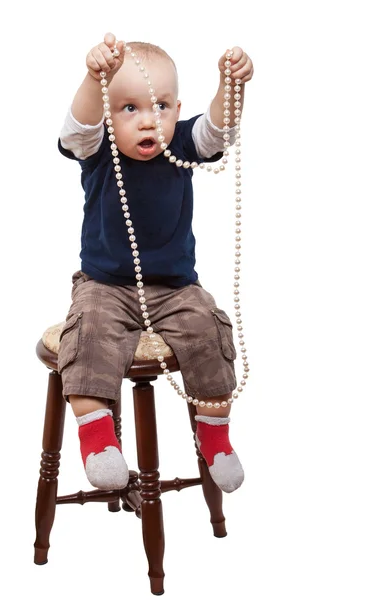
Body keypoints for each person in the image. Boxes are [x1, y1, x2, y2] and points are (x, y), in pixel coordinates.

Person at [57, 32, 254, 494]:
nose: (149, 121)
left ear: (178, 109)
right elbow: (74, 130)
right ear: (107, 112)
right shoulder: (98, 147)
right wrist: (93, 78)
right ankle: (99, 440)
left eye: (161, 106)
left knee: (209, 331)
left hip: (175, 288)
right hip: (106, 286)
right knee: (89, 336)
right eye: (130, 109)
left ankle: (216, 437)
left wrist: (231, 87)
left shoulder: (181, 145)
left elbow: (218, 131)